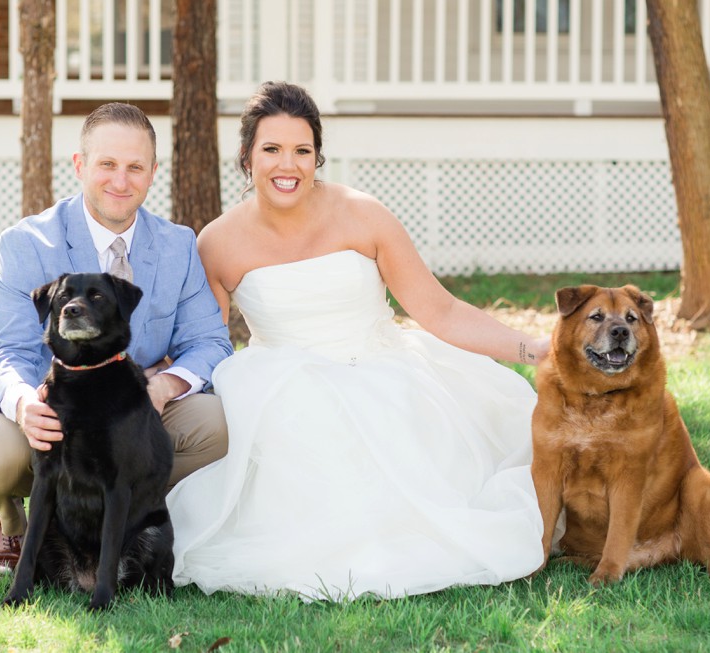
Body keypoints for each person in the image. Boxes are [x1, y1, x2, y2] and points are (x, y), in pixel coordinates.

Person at [166, 82, 551, 601]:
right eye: (272, 149)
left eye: (303, 151)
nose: (289, 165)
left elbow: (441, 310)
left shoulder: (364, 214)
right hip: (283, 389)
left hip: (385, 373)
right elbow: (206, 345)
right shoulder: (217, 242)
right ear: (246, 157)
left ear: (318, 157)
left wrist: (537, 350)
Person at [0, 102, 233, 574]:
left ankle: (121, 515)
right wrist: (25, 405)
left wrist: (165, 386)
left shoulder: (178, 245)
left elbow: (211, 341)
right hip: (52, 404)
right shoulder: (25, 244)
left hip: (131, 408)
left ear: (153, 173)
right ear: (80, 166)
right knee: (0, 455)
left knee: (217, 424)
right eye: (107, 164)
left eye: (135, 167)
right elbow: (9, 352)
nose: (120, 181)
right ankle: (12, 524)